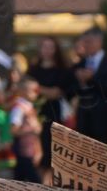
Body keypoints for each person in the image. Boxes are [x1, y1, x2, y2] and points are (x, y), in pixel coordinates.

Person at [27, 36, 74, 174]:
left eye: (50, 47)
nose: (47, 50)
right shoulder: (33, 69)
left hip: (54, 116)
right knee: (37, 154)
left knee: (53, 154)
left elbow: (56, 93)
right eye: (44, 47)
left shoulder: (62, 70)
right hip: (35, 116)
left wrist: (37, 88)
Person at [72, 27, 107, 148]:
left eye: (89, 42)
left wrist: (92, 78)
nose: (86, 45)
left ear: (99, 41)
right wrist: (79, 81)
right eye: (84, 42)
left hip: (105, 120)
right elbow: (72, 90)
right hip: (84, 120)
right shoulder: (79, 64)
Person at [7, 77, 43, 182]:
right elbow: (13, 130)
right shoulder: (19, 108)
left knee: (20, 179)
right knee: (34, 180)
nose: (36, 93)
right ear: (22, 92)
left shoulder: (29, 106)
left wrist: (38, 150)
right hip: (22, 150)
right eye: (33, 91)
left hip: (30, 150)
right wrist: (30, 130)